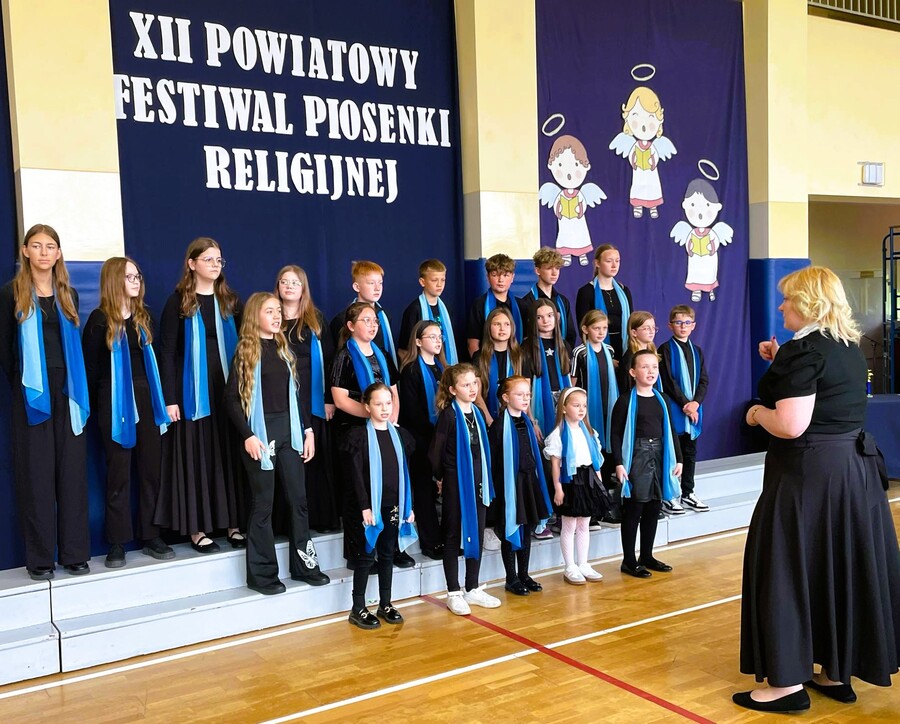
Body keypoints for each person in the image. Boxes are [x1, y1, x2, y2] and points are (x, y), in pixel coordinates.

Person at [735, 266, 900, 713]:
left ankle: (786, 685)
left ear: (808, 303)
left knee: (787, 568)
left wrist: (755, 414)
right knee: (834, 565)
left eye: (788, 299)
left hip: (807, 476)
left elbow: (791, 424)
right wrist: (781, 359)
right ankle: (835, 671)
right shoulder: (847, 346)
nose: (781, 306)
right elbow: (823, 394)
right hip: (850, 473)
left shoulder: (803, 351)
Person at [0, 224, 90, 580]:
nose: (43, 252)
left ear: (58, 253)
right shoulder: (11, 294)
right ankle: (40, 559)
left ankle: (74, 554)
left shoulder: (69, 295)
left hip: (69, 391)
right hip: (32, 393)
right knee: (36, 475)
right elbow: (5, 349)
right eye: (36, 246)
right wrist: (25, 384)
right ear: (25, 251)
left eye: (50, 246)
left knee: (72, 473)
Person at [224, 293, 329, 595]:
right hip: (261, 434)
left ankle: (305, 566)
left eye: (278, 311)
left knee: (299, 500)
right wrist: (248, 435)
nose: (276, 316)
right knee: (263, 505)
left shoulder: (284, 350)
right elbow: (231, 400)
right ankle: (262, 575)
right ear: (255, 315)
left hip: (288, 433)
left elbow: (296, 395)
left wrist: (308, 430)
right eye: (269, 311)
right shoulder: (246, 352)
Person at [82, 257, 173, 568]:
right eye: (129, 277)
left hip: (147, 399)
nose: (136, 281)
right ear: (113, 281)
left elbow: (157, 364)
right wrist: (95, 410)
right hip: (113, 401)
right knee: (118, 473)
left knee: (151, 471)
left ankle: (151, 536)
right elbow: (91, 370)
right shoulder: (98, 321)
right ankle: (117, 542)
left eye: (137, 276)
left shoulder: (144, 318)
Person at [156, 237, 245, 553]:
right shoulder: (177, 302)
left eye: (219, 260)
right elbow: (167, 352)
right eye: (208, 259)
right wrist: (169, 398)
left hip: (227, 390)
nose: (215, 265)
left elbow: (245, 346)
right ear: (192, 264)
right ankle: (198, 529)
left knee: (229, 454)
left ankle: (233, 524)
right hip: (193, 394)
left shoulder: (230, 301)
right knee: (199, 456)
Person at [330, 302, 410, 568]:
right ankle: (360, 555)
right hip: (355, 431)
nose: (372, 325)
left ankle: (390, 547)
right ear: (351, 326)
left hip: (383, 428)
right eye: (366, 320)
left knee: (390, 488)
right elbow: (340, 399)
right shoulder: (344, 356)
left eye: (375, 320)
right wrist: (372, 415)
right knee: (359, 492)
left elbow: (393, 391)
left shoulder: (382, 354)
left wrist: (388, 417)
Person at [343, 383, 417, 629]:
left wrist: (408, 506)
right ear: (367, 406)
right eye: (378, 404)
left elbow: (405, 474)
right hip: (369, 509)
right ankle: (358, 607)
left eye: (388, 403)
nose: (385, 408)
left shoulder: (400, 436)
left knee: (387, 553)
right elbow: (355, 477)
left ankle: (385, 603)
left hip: (393, 505)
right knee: (365, 556)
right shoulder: (359, 437)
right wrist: (365, 507)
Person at [430, 363, 501, 615]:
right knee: (452, 534)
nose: (472, 389)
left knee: (477, 533)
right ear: (452, 390)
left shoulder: (478, 413)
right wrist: (440, 478)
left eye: (474, 383)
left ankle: (472, 587)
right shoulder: (449, 416)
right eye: (465, 385)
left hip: (479, 481)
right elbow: (436, 453)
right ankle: (453, 591)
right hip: (455, 481)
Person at [275, 265, 339, 533]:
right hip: (281, 397)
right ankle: (286, 522)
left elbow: (330, 360)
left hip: (313, 397)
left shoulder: (316, 319)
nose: (289, 286)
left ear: (303, 288)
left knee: (315, 458)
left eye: (295, 282)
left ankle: (319, 518)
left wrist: (328, 398)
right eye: (284, 282)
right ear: (278, 286)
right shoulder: (270, 316)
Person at [611, 349, 682, 579]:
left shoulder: (662, 399)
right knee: (635, 507)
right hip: (637, 455)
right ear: (633, 372)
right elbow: (616, 434)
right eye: (644, 367)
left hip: (660, 454)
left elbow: (671, 430)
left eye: (654, 367)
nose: (650, 371)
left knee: (653, 506)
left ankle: (647, 556)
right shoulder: (625, 401)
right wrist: (619, 463)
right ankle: (629, 560)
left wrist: (679, 458)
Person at [488, 376, 552, 596]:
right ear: (506, 397)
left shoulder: (526, 422)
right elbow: (494, 461)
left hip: (528, 482)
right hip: (510, 486)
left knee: (526, 530)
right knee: (510, 530)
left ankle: (524, 574)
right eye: (520, 394)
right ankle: (511, 577)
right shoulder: (499, 426)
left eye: (528, 395)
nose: (525, 399)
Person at [543, 387, 608, 585]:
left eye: (584, 406)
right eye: (576, 405)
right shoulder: (558, 434)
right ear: (564, 408)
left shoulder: (589, 432)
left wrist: (599, 483)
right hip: (570, 480)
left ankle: (583, 563)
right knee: (569, 525)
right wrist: (558, 488)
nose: (581, 410)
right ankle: (570, 566)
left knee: (584, 524)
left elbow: (595, 461)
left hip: (588, 479)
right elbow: (555, 465)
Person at [398, 320, 447, 559]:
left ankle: (446, 538)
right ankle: (431, 543)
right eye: (432, 337)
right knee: (424, 490)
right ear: (418, 341)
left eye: (440, 337)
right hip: (420, 440)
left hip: (441, 438)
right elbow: (412, 412)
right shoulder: (410, 371)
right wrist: (434, 435)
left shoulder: (442, 369)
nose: (438, 341)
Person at [658, 305, 709, 513]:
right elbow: (668, 381)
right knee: (673, 452)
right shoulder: (665, 349)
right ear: (670, 325)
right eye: (678, 322)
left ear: (693, 326)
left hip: (694, 410)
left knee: (690, 452)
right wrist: (685, 404)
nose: (683, 326)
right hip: (675, 409)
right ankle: (670, 495)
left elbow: (703, 380)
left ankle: (688, 492)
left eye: (687, 323)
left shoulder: (697, 351)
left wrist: (696, 403)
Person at [571, 310, 621, 524]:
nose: (601, 332)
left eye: (604, 328)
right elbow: (572, 383)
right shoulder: (580, 352)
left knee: (606, 453)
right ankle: (590, 507)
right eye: (596, 328)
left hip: (609, 407)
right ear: (585, 329)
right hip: (588, 410)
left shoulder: (609, 350)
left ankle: (606, 504)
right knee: (590, 454)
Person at [329, 260, 398, 368]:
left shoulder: (385, 316)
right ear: (357, 287)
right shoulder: (342, 319)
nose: (377, 288)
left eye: (380, 283)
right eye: (371, 283)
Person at [575, 245, 633, 359]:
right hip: (598, 349)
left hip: (624, 348)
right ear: (597, 263)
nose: (614, 265)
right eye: (609, 261)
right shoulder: (586, 291)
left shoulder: (624, 291)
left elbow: (631, 322)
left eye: (617, 261)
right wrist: (603, 355)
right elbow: (583, 327)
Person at [398, 259, 459, 364]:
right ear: (422, 282)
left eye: (443, 280)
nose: (439, 284)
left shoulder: (447, 309)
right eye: (434, 280)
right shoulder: (414, 310)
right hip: (422, 367)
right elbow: (403, 350)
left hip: (445, 365)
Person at [466, 253, 526, 357]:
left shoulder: (522, 305)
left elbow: (526, 339)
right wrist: (480, 364)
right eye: (495, 275)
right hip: (487, 361)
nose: (500, 280)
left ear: (512, 277)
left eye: (506, 275)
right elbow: (473, 343)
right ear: (488, 277)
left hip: (517, 361)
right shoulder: (479, 305)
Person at [473, 307, 523, 425]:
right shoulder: (479, 356)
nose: (502, 328)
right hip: (487, 418)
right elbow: (477, 395)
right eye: (497, 324)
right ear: (489, 328)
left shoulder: (519, 356)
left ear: (512, 328)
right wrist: (490, 422)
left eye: (506, 324)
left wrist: (530, 421)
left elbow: (524, 393)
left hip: (515, 418)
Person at [520, 248, 576, 349]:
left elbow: (570, 334)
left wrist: (564, 354)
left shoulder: (563, 301)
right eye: (549, 268)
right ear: (537, 270)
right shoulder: (526, 302)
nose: (554, 273)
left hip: (560, 354)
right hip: (536, 354)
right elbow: (524, 335)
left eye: (557, 268)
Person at [617, 311, 658, 395]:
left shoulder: (653, 354)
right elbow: (626, 388)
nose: (651, 331)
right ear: (634, 332)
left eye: (653, 327)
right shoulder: (629, 359)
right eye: (646, 328)